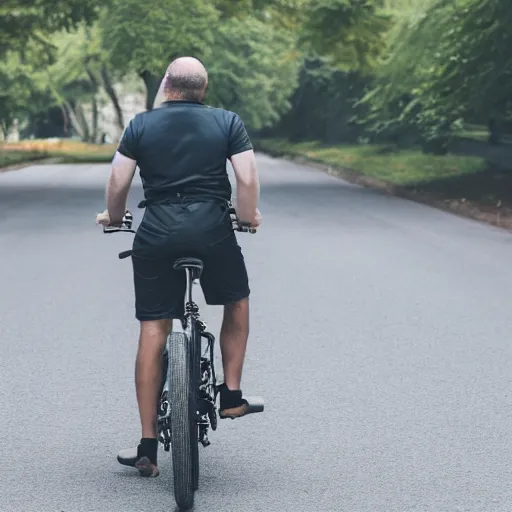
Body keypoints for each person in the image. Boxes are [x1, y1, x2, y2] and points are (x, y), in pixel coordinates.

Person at [96, 56, 261, 478]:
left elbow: (118, 180)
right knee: (236, 300)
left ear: (166, 86)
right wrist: (247, 216)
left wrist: (114, 217)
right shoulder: (227, 122)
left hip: (158, 232)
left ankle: (148, 445)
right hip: (212, 230)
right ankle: (232, 394)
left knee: (154, 327)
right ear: (203, 89)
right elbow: (246, 177)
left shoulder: (141, 125)